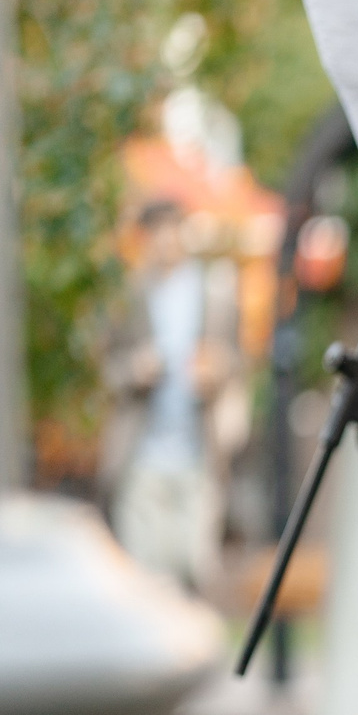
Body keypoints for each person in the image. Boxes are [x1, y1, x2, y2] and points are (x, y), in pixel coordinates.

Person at [104, 199, 244, 596]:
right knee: (144, 574)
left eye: (172, 230)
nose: (165, 241)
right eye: (156, 232)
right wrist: (135, 369)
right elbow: (106, 368)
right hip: (142, 451)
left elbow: (236, 359)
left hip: (199, 449)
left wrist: (217, 369)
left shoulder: (213, 291)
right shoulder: (128, 294)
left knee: (193, 568)